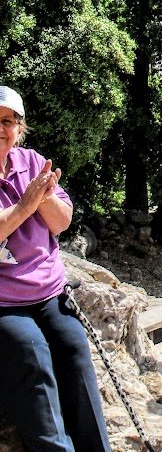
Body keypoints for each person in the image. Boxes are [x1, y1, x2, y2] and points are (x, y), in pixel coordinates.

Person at [0, 86, 112, 452]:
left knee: (75, 348)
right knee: (30, 354)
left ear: (19, 127)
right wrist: (26, 204)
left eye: (7, 121)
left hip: (47, 293)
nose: (1, 128)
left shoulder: (32, 162)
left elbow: (62, 222)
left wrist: (45, 197)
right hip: (4, 304)